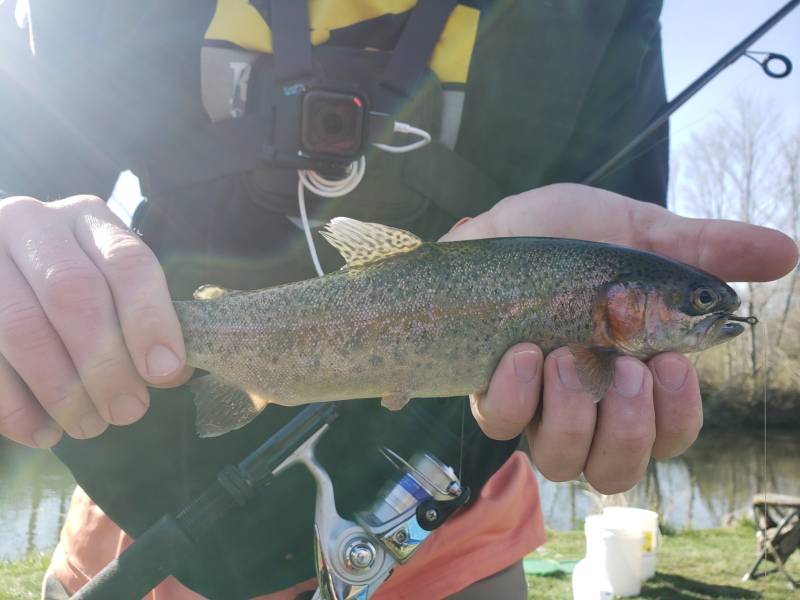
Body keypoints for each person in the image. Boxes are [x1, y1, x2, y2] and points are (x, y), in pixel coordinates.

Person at [0, 2, 796, 599]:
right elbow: (25, 145)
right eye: (693, 305)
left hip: (455, 510)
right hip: (145, 502)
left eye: (692, 308)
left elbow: (623, 217)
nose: (701, 319)